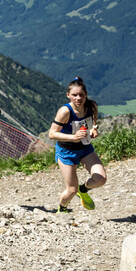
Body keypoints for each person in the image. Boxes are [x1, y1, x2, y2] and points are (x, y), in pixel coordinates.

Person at [48, 78, 106, 212]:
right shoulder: (65, 111)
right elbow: (52, 134)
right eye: (74, 95)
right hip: (66, 151)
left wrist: (94, 129)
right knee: (71, 189)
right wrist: (73, 137)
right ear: (68, 95)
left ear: (86, 95)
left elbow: (93, 119)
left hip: (85, 148)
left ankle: (83, 189)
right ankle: (62, 209)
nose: (78, 98)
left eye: (81, 95)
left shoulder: (91, 106)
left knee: (100, 179)